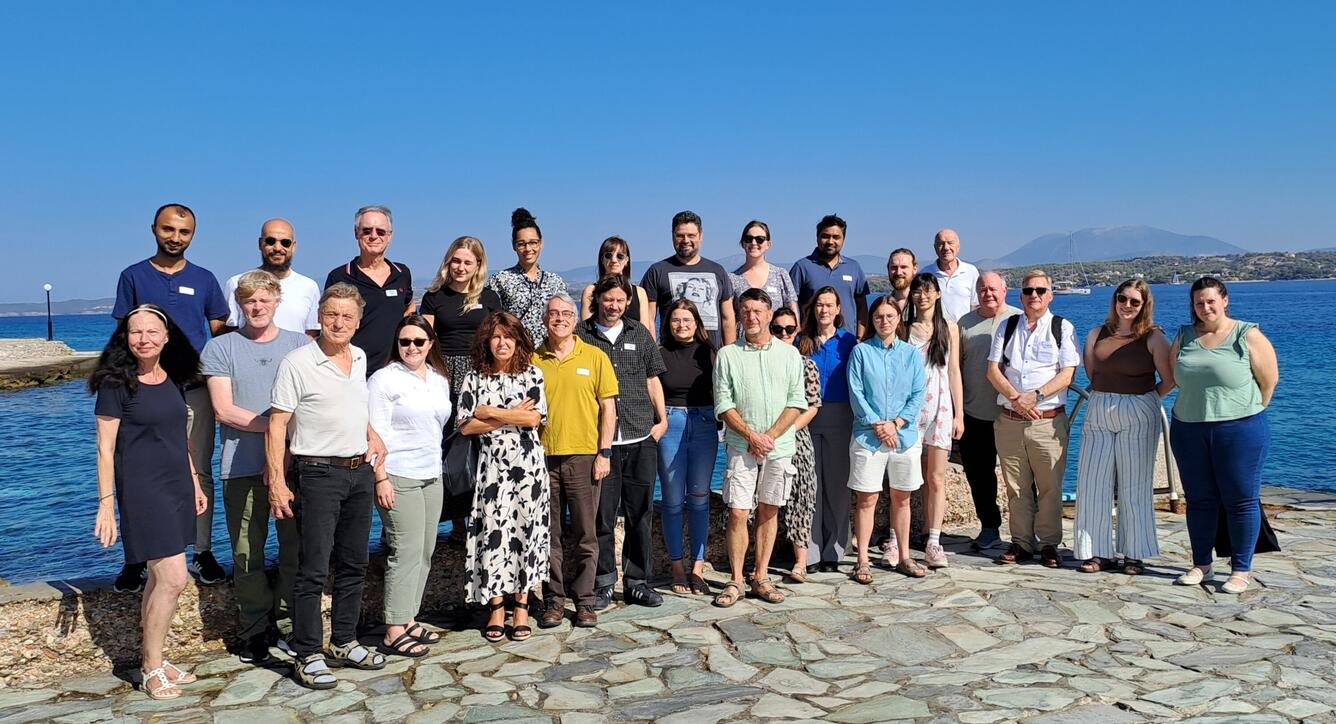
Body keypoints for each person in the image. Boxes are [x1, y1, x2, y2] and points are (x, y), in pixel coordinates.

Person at [267, 283, 390, 689]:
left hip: (358, 471)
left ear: (357, 322)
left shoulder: (358, 357)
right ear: (319, 315)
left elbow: (352, 405)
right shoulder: (297, 362)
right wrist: (277, 483)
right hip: (317, 473)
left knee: (354, 563)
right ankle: (307, 653)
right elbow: (277, 424)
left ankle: (344, 641)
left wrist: (371, 433)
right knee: (313, 569)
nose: (338, 323)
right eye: (331, 314)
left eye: (347, 316)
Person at [91, 304, 208, 699]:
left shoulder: (172, 378)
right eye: (135, 332)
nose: (143, 339)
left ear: (167, 337)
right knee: (175, 577)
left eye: (151, 332)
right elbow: (105, 450)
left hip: (176, 486)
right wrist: (106, 503)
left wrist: (193, 482)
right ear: (125, 338)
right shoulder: (115, 384)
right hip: (142, 491)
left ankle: (153, 658)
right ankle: (151, 667)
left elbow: (180, 438)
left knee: (162, 579)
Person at [112, 203, 228, 590]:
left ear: (193, 235)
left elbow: (219, 336)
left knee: (198, 470)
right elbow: (122, 337)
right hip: (143, 394)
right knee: (135, 474)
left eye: (184, 232)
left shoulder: (205, 279)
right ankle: (136, 559)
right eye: (168, 230)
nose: (175, 238)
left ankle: (202, 549)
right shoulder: (133, 276)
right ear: (154, 229)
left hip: (193, 391)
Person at [200, 271, 309, 664]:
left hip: (295, 467)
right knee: (248, 553)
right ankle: (253, 629)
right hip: (241, 466)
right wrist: (278, 426)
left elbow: (311, 403)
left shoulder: (300, 346)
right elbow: (224, 410)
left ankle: (287, 623)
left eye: (264, 299)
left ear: (277, 301)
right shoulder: (221, 348)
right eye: (249, 301)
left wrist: (281, 448)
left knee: (295, 550)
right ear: (239, 305)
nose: (257, 307)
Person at [1170, 277, 1278, 594]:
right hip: (1188, 428)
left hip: (1240, 429)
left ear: (1225, 300)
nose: (1205, 307)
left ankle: (1240, 569)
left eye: (1211, 301)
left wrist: (1240, 411)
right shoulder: (1184, 336)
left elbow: (1269, 382)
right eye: (1199, 302)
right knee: (1200, 500)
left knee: (1240, 500)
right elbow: (1177, 378)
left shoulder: (1248, 335)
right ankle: (1201, 563)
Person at [456, 312, 550, 641]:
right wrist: (513, 415)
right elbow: (467, 425)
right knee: (494, 533)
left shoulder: (532, 374)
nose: (502, 343)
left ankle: (522, 606)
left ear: (519, 340)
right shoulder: (474, 378)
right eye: (496, 337)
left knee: (526, 531)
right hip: (492, 468)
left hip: (529, 468)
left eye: (508, 337)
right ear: (487, 342)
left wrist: (491, 412)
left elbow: (534, 420)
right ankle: (496, 607)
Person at [712, 288, 807, 607]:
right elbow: (723, 403)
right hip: (741, 446)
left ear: (769, 315)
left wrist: (769, 437)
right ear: (739, 315)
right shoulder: (728, 355)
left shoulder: (789, 354)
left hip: (779, 448)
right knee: (738, 512)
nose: (751, 316)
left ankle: (761, 576)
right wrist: (752, 436)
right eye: (746, 311)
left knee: (769, 509)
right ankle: (736, 580)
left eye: (757, 311)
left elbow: (797, 401)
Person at [579, 275, 668, 609]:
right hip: (600, 444)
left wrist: (662, 421)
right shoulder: (581, 336)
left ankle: (637, 581)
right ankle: (603, 583)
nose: (614, 306)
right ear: (597, 300)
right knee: (601, 516)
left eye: (620, 300)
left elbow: (652, 379)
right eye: (608, 300)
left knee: (640, 513)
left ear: (627, 302)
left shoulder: (638, 333)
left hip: (640, 436)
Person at [1073, 280, 1175, 576]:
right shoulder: (1096, 334)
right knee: (1093, 483)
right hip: (1100, 408)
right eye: (1122, 298)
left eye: (1135, 301)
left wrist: (1147, 400)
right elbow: (1093, 373)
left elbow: (1169, 379)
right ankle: (1096, 552)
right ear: (1115, 300)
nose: (1127, 305)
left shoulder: (1154, 338)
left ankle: (1135, 553)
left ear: (1145, 306)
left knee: (1135, 485)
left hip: (1139, 409)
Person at [368, 316, 453, 656]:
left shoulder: (438, 379)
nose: (412, 348)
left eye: (419, 341)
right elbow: (373, 433)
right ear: (396, 345)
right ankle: (392, 628)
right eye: (405, 342)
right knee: (404, 550)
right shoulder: (384, 380)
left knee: (425, 549)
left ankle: (409, 619)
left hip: (432, 474)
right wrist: (380, 477)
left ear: (430, 344)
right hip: (398, 474)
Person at [533, 294, 618, 629]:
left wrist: (604, 452)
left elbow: (608, 408)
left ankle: (584, 602)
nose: (560, 319)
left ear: (575, 319)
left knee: (586, 534)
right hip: (543, 457)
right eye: (553, 313)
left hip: (584, 456)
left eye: (566, 313)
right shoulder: (532, 359)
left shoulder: (594, 357)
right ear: (545, 320)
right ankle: (553, 601)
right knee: (548, 535)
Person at [986, 270, 1081, 568]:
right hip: (1010, 420)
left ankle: (1050, 543)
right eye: (1028, 291)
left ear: (1050, 294)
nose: (1034, 295)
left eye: (1040, 290)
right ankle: (1021, 542)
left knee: (1050, 486)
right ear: (1021, 295)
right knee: (1016, 486)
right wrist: (1017, 398)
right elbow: (992, 370)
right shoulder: (1007, 326)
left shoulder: (1062, 328)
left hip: (1047, 422)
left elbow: (1067, 374)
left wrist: (1035, 396)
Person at [418, 236, 504, 539]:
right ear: (448, 261)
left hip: (481, 374)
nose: (460, 267)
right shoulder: (434, 297)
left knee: (483, 443)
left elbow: (498, 338)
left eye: (467, 261)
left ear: (478, 265)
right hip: (444, 375)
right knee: (449, 445)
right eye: (456, 260)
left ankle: (482, 514)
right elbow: (425, 339)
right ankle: (454, 520)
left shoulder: (490, 297)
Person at [846, 296, 927, 582]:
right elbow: (856, 392)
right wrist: (879, 425)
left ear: (898, 319)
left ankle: (904, 556)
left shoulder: (911, 354)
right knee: (866, 499)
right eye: (879, 316)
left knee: (902, 499)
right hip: (868, 436)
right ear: (872, 320)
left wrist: (896, 423)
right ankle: (863, 559)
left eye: (890, 316)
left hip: (903, 436)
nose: (884, 321)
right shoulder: (861, 352)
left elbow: (918, 393)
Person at [655, 299, 718, 595]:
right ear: (668, 324)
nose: (681, 325)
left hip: (704, 423)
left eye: (687, 320)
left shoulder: (711, 353)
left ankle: (697, 567)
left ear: (697, 323)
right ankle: (677, 567)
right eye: (675, 320)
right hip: (671, 423)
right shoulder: (659, 354)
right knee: (671, 499)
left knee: (699, 497)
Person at [901, 274, 964, 568]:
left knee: (936, 477)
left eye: (927, 291)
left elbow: (953, 372)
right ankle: (895, 536)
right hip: (909, 411)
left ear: (938, 294)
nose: (922, 296)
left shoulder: (948, 329)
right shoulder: (904, 329)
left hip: (940, 408)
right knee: (904, 476)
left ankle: (934, 540)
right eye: (917, 291)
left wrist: (958, 413)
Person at [956, 272, 1020, 550]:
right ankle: (989, 526)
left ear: (1005, 290)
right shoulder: (965, 324)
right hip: (974, 413)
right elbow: (954, 369)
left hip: (1012, 415)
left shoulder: (1019, 319)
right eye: (982, 289)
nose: (988, 294)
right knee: (979, 476)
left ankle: (1027, 531)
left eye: (993, 289)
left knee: (1020, 477)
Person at [798, 286, 859, 573]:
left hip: (841, 415)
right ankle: (809, 553)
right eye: (819, 305)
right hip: (808, 416)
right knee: (812, 486)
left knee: (836, 485)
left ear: (838, 309)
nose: (824, 310)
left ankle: (834, 550)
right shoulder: (802, 341)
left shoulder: (850, 342)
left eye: (829, 305)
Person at [324, 205, 413, 377]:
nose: (374, 236)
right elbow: (328, 325)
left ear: (390, 236)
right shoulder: (339, 276)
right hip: (353, 372)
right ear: (356, 233)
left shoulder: (402, 273)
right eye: (366, 231)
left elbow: (408, 306)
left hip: (395, 371)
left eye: (380, 232)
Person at [768, 307, 822, 583]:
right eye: (778, 329)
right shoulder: (763, 362)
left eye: (790, 329)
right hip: (766, 440)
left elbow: (812, 406)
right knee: (764, 501)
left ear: (797, 330)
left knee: (802, 497)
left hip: (797, 439)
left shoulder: (807, 365)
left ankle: (800, 561)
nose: (784, 334)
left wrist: (785, 431)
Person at [641, 210, 737, 347]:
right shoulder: (657, 271)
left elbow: (728, 318)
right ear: (672, 236)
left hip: (711, 357)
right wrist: (652, 355)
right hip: (671, 357)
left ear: (701, 236)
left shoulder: (717, 271)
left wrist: (729, 354)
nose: (686, 240)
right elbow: (648, 319)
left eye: (691, 235)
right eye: (680, 235)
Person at [222, 218, 321, 336]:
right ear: (260, 244)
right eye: (270, 241)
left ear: (293, 246)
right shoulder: (236, 283)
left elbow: (312, 336)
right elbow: (230, 334)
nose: (278, 248)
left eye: (285, 242)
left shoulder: (309, 287)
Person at [487, 208, 568, 347]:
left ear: (541, 243)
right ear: (514, 246)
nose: (528, 248)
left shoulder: (555, 282)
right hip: (514, 353)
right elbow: (491, 322)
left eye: (533, 242)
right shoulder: (500, 280)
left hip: (548, 353)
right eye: (521, 244)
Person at [789, 214, 869, 336]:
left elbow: (862, 306)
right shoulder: (802, 267)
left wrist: (860, 337)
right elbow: (790, 305)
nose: (830, 241)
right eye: (825, 236)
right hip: (810, 341)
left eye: (836, 237)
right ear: (817, 237)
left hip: (847, 342)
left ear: (843, 239)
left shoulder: (854, 267)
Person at [729, 220, 799, 325]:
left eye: (759, 239)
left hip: (776, 338)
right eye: (749, 239)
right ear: (743, 244)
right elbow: (728, 317)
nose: (753, 243)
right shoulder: (732, 279)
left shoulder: (780, 275)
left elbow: (793, 311)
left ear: (768, 244)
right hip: (743, 340)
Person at [581, 236, 652, 330]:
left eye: (620, 256)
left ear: (627, 260)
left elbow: (644, 332)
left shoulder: (640, 293)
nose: (614, 260)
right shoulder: (590, 291)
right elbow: (586, 330)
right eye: (608, 255)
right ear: (602, 259)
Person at [922, 229, 980, 322]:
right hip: (936, 333)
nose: (946, 247)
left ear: (958, 246)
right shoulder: (925, 273)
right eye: (941, 243)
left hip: (964, 332)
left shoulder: (971, 271)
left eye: (950, 243)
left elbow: (976, 305)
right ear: (935, 248)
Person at [884, 248, 919, 313]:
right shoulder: (883, 307)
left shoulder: (926, 304)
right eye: (894, 267)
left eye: (903, 267)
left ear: (915, 269)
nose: (898, 272)